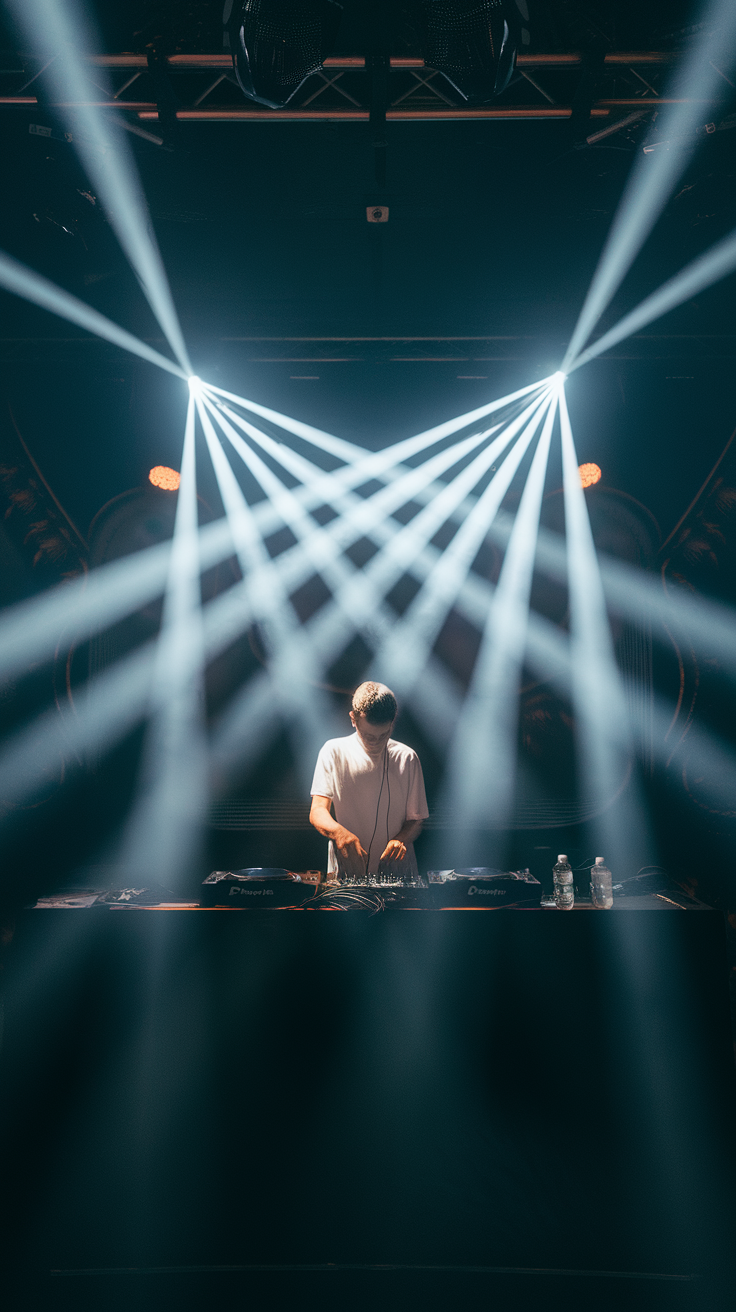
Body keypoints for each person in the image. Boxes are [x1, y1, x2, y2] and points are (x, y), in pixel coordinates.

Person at [309, 681, 429, 882]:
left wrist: (401, 839)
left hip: (397, 875)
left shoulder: (407, 758)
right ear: (353, 719)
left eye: (383, 735)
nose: (375, 742)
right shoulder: (332, 752)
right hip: (346, 875)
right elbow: (317, 811)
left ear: (392, 722)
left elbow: (416, 819)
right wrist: (340, 834)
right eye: (368, 735)